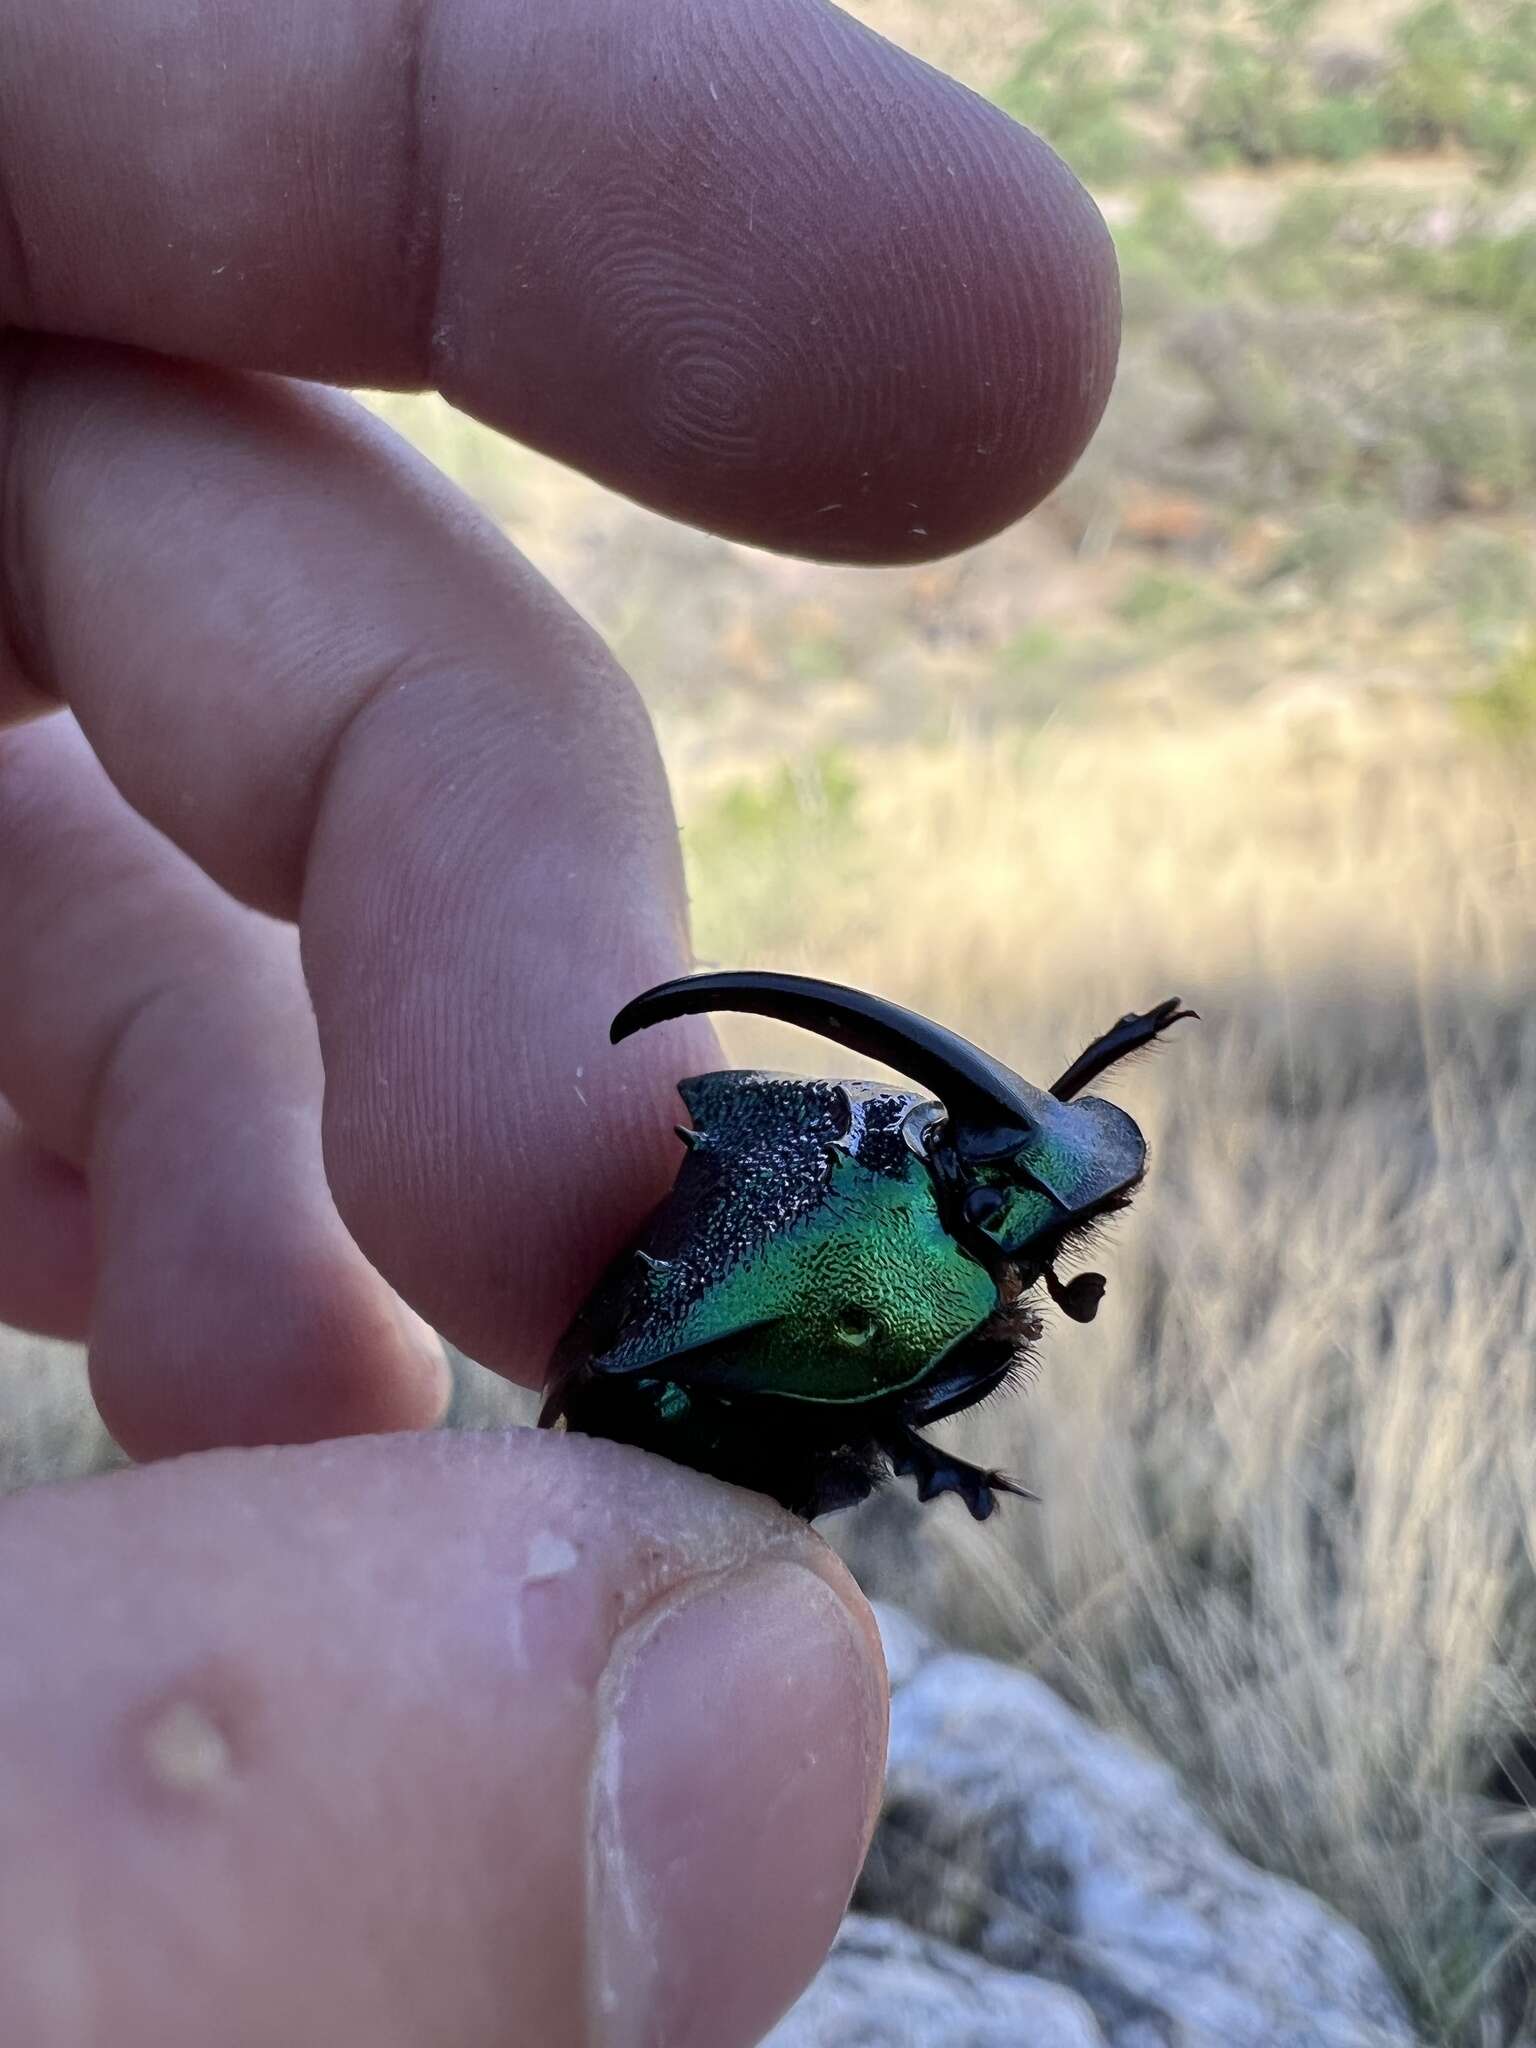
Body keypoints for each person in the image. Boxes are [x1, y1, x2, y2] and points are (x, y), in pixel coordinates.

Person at [0, 2, 1118, 2041]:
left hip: (713, 1390)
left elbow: (875, 1356)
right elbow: (856, 1345)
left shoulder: (906, 1222)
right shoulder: (900, 1217)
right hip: (680, 1393)